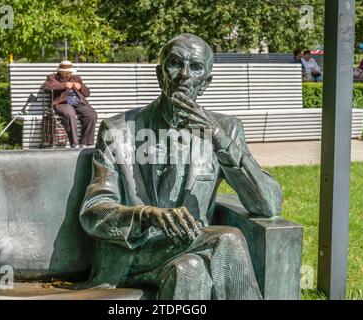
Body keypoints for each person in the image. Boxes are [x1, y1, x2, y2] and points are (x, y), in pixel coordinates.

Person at [79, 34, 283, 300]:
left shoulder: (226, 131)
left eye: (196, 67)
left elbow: (268, 204)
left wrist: (218, 139)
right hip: (133, 254)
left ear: (206, 82)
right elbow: (93, 213)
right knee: (228, 238)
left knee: (191, 269)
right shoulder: (118, 131)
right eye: (175, 63)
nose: (184, 74)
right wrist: (146, 215)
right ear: (159, 73)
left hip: (191, 249)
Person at [44, 60, 97, 148]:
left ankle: (86, 143)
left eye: (70, 72)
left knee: (91, 114)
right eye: (66, 73)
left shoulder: (76, 78)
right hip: (62, 103)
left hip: (78, 102)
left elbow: (87, 93)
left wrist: (80, 87)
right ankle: (74, 143)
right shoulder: (52, 77)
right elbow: (47, 87)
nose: (69, 74)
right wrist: (64, 85)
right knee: (70, 114)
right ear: (60, 71)